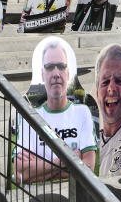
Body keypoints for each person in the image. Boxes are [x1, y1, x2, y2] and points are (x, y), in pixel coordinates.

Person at [14, 38, 96, 183]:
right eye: (50, 67)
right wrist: (62, 163)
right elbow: (19, 174)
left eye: (61, 66)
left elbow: (88, 168)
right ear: (42, 74)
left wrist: (36, 168)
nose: (56, 73)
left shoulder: (82, 113)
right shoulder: (31, 117)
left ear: (68, 73)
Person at [94, 44, 121, 178]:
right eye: (105, 82)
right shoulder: (91, 141)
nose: (111, 88)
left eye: (119, 81)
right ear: (97, 92)